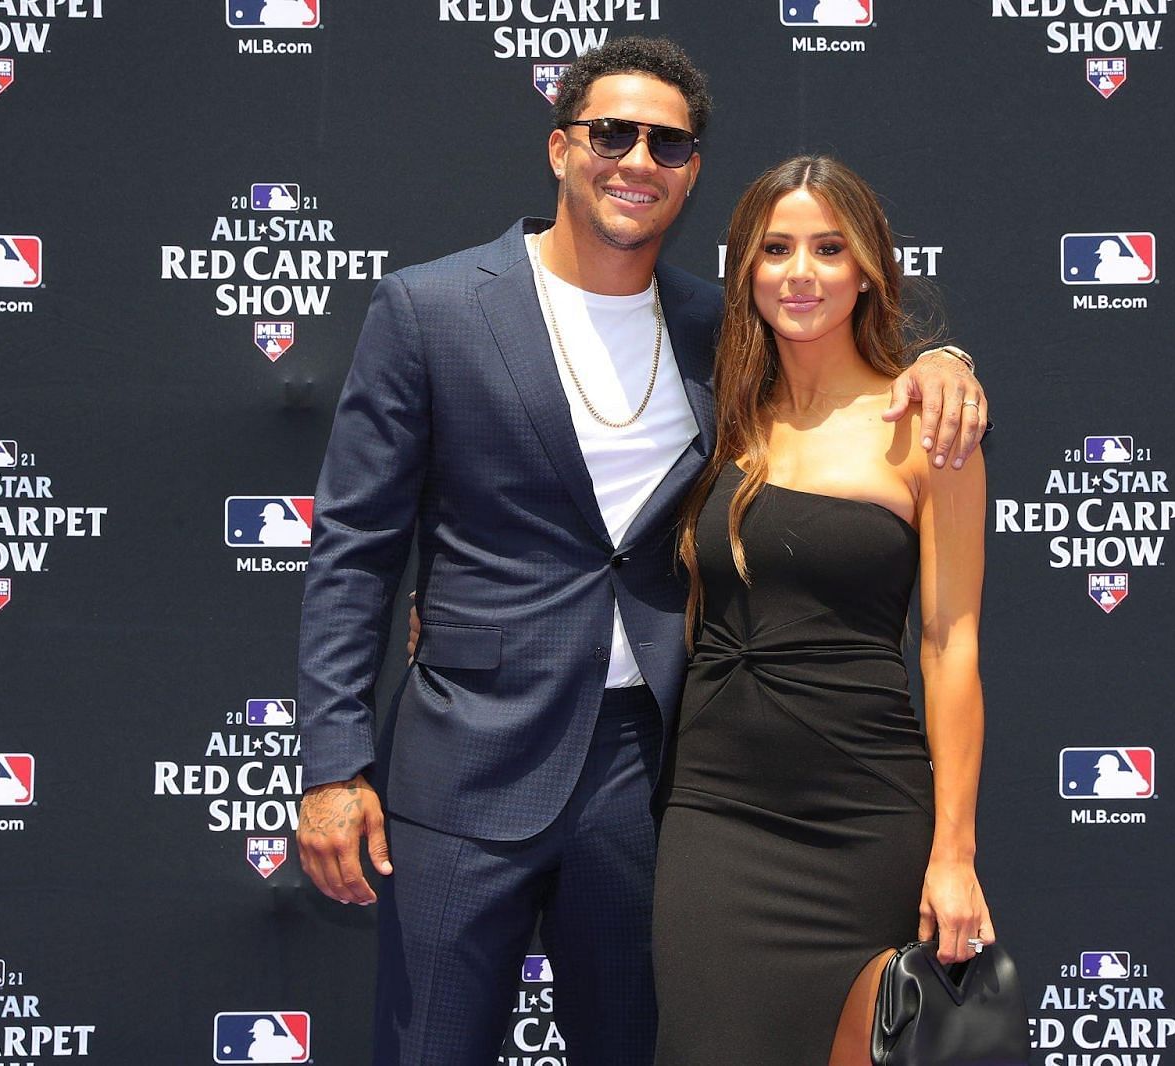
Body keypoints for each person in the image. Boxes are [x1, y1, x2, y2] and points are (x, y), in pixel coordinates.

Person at [294, 37, 989, 1066]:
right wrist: (333, 764)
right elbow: (354, 548)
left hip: (653, 776)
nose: (637, 160)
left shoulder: (724, 331)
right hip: (464, 767)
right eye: (611, 133)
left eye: (667, 144)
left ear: (693, 172)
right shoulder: (431, 308)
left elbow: (839, 354)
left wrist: (946, 357)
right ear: (560, 148)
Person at [651, 155, 994, 1065]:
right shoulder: (714, 413)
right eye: (775, 249)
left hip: (864, 814)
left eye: (829, 248)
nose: (800, 273)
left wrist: (953, 856)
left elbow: (951, 642)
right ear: (743, 271)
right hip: (715, 815)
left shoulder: (926, 426)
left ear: (870, 267)